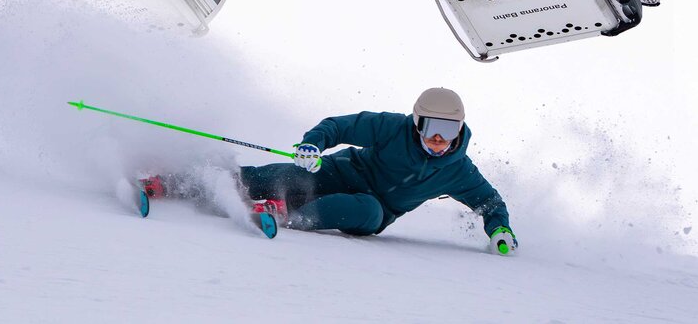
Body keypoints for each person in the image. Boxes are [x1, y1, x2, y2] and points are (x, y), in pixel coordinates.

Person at [142, 88, 517, 255]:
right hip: (339, 172)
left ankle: (285, 214)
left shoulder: (459, 170)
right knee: (265, 177)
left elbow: (488, 201)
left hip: (373, 209)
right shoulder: (392, 127)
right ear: (417, 122)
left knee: (367, 211)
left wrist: (500, 229)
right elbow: (339, 125)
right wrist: (312, 145)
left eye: (448, 131)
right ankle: (172, 182)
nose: (438, 139)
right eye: (432, 128)